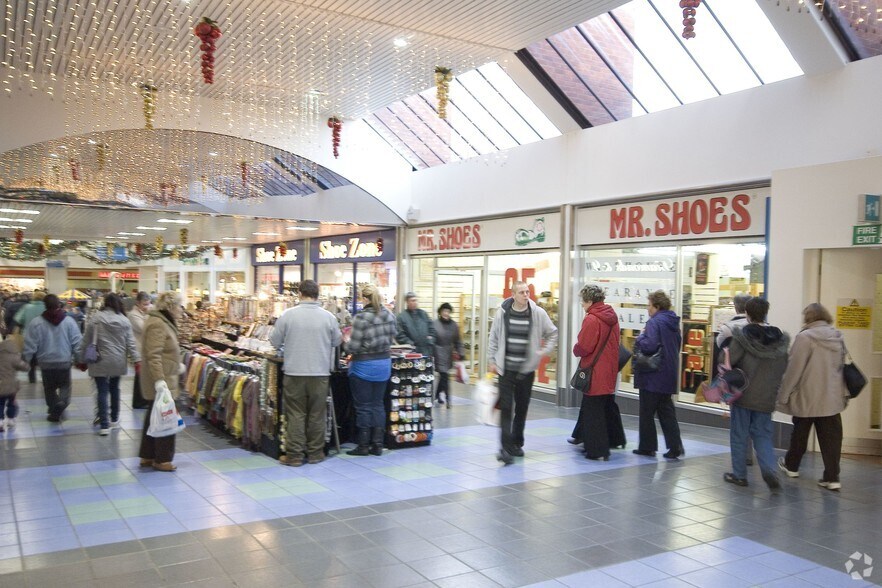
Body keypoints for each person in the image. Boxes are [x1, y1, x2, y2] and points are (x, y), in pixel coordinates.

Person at [776, 303, 849, 491]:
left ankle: (792, 466)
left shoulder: (805, 338)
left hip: (807, 395)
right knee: (832, 439)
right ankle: (832, 478)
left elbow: (794, 370)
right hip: (832, 396)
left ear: (808, 318)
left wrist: (783, 395)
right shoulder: (837, 336)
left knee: (800, 432)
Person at [270, 280, 342, 467]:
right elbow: (337, 341)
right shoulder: (328, 317)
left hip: (294, 373)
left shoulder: (288, 315)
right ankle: (316, 453)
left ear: (300, 293)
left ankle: (294, 456)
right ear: (317, 295)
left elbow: (275, 341)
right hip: (320, 374)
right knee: (317, 414)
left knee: (296, 414)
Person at [488, 281, 558, 465]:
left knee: (521, 408)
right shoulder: (502, 313)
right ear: (513, 295)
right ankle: (505, 448)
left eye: (527, 292)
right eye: (521, 292)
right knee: (506, 409)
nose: (526, 295)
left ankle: (516, 443)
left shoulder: (538, 313)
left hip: (526, 371)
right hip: (506, 370)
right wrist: (491, 360)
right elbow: (493, 337)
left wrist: (543, 352)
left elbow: (552, 333)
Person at [724, 297, 789, 489]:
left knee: (739, 435)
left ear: (747, 314)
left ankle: (739, 475)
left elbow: (729, 361)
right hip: (766, 397)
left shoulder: (742, 337)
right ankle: (769, 470)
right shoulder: (779, 341)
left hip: (743, 395)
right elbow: (784, 366)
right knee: (762, 435)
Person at [572, 284, 624, 461]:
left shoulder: (592, 319)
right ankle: (611, 441)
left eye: (583, 301)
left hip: (594, 371)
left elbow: (585, 346)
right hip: (609, 370)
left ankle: (596, 450)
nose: (582, 305)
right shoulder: (612, 316)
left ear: (589, 300)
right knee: (603, 407)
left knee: (593, 411)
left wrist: (576, 349)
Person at [632, 290, 685, 459]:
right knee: (666, 412)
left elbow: (649, 346)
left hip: (652, 375)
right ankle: (675, 446)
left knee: (647, 412)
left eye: (649, 305)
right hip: (668, 373)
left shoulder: (654, 322)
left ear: (656, 306)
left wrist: (640, 338)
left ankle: (647, 447)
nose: (647, 309)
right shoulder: (673, 322)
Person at [346, 284, 397, 456]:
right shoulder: (389, 315)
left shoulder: (361, 317)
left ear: (365, 299)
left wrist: (345, 342)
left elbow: (353, 346)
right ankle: (377, 444)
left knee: (364, 407)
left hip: (364, 367)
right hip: (384, 364)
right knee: (378, 405)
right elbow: (393, 337)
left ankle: (363, 445)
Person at [79, 293, 140, 436]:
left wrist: (81, 359)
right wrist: (137, 360)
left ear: (105, 303)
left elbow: (86, 341)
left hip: (99, 359)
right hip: (118, 360)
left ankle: (104, 426)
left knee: (102, 391)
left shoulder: (95, 319)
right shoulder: (124, 320)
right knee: (114, 388)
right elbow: (131, 344)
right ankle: (114, 418)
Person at [138, 292, 184, 472]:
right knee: (167, 418)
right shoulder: (158, 323)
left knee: (153, 417)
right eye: (179, 306)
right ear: (170, 306)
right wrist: (159, 381)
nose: (181, 310)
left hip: (166, 375)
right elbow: (153, 355)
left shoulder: (161, 321)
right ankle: (163, 459)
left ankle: (148, 455)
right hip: (163, 379)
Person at [22, 294, 82, 421]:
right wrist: (79, 358)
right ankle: (62, 403)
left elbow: (30, 344)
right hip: (64, 361)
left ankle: (55, 406)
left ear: (45, 305)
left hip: (45, 362)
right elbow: (77, 342)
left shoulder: (36, 323)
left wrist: (25, 360)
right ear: (59, 305)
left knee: (49, 388)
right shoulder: (69, 321)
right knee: (65, 386)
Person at [716, 293, 756, 466]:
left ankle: (741, 458)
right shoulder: (760, 327)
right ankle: (752, 454)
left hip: (735, 376)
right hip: (755, 375)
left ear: (736, 307)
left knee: (738, 417)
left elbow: (719, 344)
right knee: (754, 418)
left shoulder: (728, 327)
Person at [432, 302, 463, 408]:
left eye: (448, 311)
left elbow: (458, 340)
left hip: (448, 353)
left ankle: (436, 395)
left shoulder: (454, 325)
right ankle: (448, 398)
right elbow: (431, 339)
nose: (446, 313)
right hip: (438, 353)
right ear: (440, 312)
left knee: (443, 376)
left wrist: (461, 352)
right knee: (445, 376)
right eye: (444, 311)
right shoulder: (435, 324)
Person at [15, 291, 47, 383]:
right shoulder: (46, 307)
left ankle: (32, 377)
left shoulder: (26, 307)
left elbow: (19, 320)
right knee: (43, 357)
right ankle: (45, 377)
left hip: (28, 335)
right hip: (44, 336)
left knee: (31, 358)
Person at [128, 291, 151, 409]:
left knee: (142, 377)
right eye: (144, 304)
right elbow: (144, 328)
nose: (147, 306)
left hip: (145, 349)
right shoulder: (133, 315)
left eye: (148, 304)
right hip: (138, 350)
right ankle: (138, 402)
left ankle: (142, 400)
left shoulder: (145, 313)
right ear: (138, 303)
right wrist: (148, 315)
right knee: (139, 377)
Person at [0, 335, 29, 431]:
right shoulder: (14, 357)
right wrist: (27, 366)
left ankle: (0, 420)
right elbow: (23, 366)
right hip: (11, 387)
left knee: (0, 403)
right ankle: (11, 419)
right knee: (12, 403)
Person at [396, 292, 435, 357]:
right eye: (412, 301)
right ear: (407, 302)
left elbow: (432, 329)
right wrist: (411, 344)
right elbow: (399, 335)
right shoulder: (401, 317)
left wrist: (430, 340)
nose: (415, 302)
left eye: (416, 300)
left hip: (427, 351)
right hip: (411, 352)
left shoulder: (423, 314)